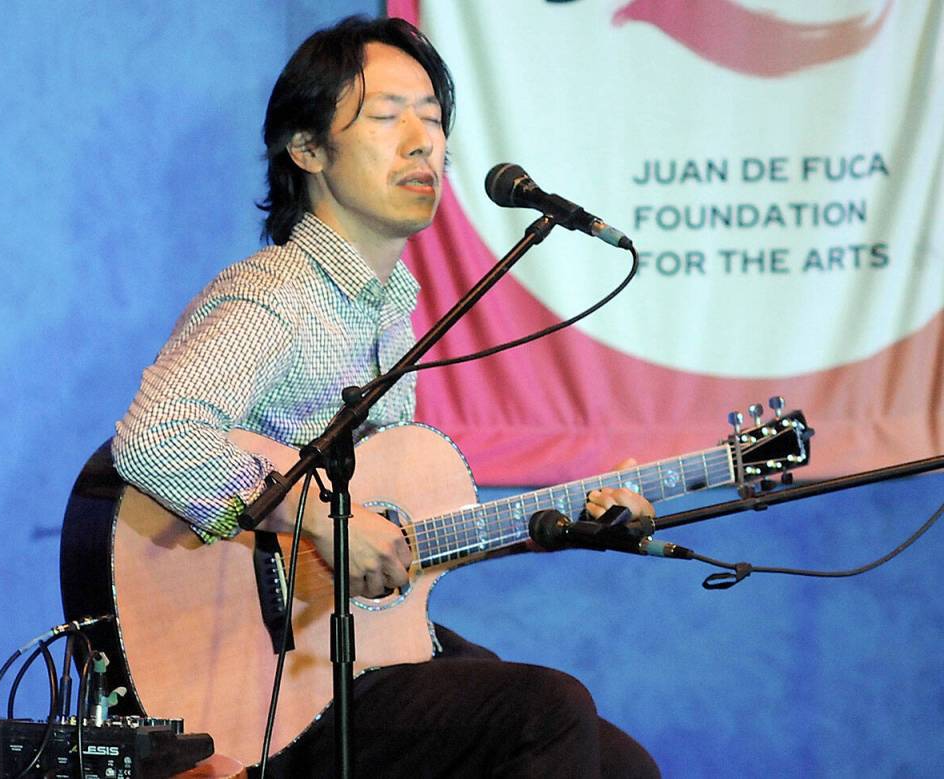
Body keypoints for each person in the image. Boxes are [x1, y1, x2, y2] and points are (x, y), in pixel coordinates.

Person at [112, 14, 661, 778]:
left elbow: (399, 539)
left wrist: (565, 521)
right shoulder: (276, 296)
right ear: (306, 149)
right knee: (546, 710)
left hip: (355, 656)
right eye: (386, 117)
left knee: (620, 763)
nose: (422, 142)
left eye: (433, 120)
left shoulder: (389, 309)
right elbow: (156, 438)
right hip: (264, 682)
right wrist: (323, 520)